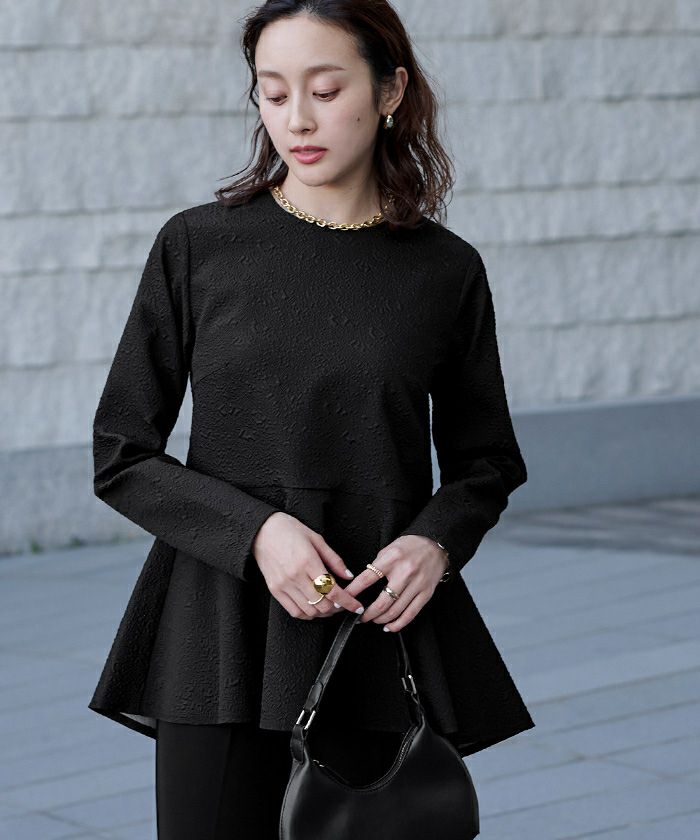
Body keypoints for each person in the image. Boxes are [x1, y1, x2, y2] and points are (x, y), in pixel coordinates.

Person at [88, 1, 535, 837]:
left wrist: (435, 543)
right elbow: (121, 452)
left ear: (390, 90)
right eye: (273, 92)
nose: (297, 118)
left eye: (326, 91)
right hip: (218, 630)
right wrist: (258, 533)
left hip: (370, 633)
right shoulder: (198, 246)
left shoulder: (444, 271)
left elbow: (487, 462)